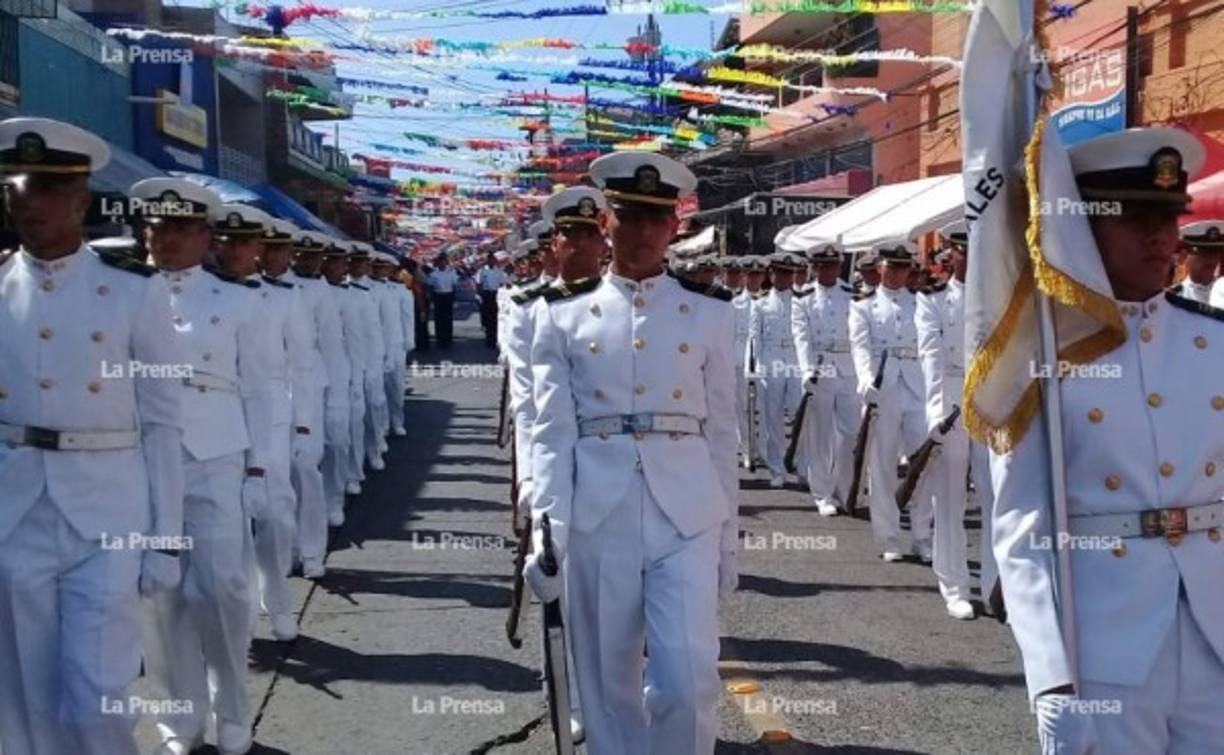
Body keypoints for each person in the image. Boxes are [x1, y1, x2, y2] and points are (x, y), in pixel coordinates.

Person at [993, 127, 1224, 754]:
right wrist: (1051, 677)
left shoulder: (1215, 341)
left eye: (1168, 217)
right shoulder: (1044, 353)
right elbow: (1023, 527)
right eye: (1134, 218)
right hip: (1106, 643)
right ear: (1084, 228)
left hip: (1214, 629)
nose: (1160, 237)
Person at [525, 152, 737, 755]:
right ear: (607, 222)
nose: (645, 232)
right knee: (608, 687)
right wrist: (550, 531)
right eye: (632, 217)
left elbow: (722, 431)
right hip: (599, 512)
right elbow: (550, 432)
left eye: (657, 219)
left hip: (688, 514)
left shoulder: (709, 312)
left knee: (688, 679)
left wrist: (729, 538)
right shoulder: (560, 315)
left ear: (676, 227)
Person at [0, 118, 184, 755]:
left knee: (95, 695)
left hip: (109, 514)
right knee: (23, 696)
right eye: (17, 186)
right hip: (14, 508)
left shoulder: (135, 292)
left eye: (48, 187)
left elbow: (162, 422)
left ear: (81, 197)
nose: (28, 199)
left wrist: (165, 539)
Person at [137, 195, 276, 755]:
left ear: (204, 237)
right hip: (144, 455)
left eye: (180, 228)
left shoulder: (237, 300)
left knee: (224, 587)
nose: (166, 238)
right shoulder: (121, 292)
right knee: (158, 594)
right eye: (156, 227)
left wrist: (259, 467)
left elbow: (261, 387)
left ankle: (234, 708)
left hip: (214, 453)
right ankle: (179, 715)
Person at [915, 222, 988, 621]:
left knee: (995, 496)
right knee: (951, 498)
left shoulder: (998, 294)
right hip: (952, 396)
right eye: (963, 252)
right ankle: (955, 585)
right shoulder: (933, 299)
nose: (970, 259)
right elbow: (929, 357)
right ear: (951, 255)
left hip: (991, 399)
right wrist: (934, 411)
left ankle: (995, 587)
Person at [849, 240, 934, 562]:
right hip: (883, 389)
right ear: (880, 268)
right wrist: (865, 379)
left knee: (923, 464)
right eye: (892, 267)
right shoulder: (863, 305)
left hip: (918, 387)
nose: (898, 274)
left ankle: (923, 535)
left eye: (903, 268)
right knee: (882, 466)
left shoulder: (923, 302)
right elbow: (860, 346)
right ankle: (888, 536)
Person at [251, 217, 314, 641]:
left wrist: (304, 422)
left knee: (274, 515)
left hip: (271, 413)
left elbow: (303, 363)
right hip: (208, 422)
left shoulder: (283, 298)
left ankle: (278, 600)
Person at [287, 229, 345, 578]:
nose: (305, 261)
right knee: (275, 480)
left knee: (306, 468)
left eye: (313, 257)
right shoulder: (255, 290)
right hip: (266, 394)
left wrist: (338, 392)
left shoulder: (320, 292)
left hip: (310, 386)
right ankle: (285, 549)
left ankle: (311, 550)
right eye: (301, 255)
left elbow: (332, 345)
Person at [791, 242, 859, 518]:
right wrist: (807, 371)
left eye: (832, 266)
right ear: (814, 268)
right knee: (819, 435)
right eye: (821, 266)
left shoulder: (852, 295)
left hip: (849, 368)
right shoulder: (803, 298)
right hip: (820, 369)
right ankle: (822, 493)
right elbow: (801, 337)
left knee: (849, 434)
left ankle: (844, 489)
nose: (827, 271)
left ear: (839, 267)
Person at [748, 251, 805, 487]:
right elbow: (754, 338)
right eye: (780, 273)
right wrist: (754, 367)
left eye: (788, 274)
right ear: (771, 274)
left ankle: (803, 466)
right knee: (773, 419)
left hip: (794, 360)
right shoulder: (760, 303)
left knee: (800, 416)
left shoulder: (802, 300)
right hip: (770, 361)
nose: (784, 278)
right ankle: (776, 468)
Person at [1177, 220, 1221, 303]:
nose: (1211, 259)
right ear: (1185, 256)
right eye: (1204, 253)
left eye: (1215, 252)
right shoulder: (1175, 297)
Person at [477, 250, 510, 347]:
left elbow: (502, 284)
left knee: (495, 317)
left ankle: (495, 339)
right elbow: (479, 284)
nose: (491, 261)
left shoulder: (499, 271)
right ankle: (488, 339)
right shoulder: (482, 271)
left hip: (496, 294)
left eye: (492, 259)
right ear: (487, 260)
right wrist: (480, 295)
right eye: (489, 259)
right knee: (487, 318)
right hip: (486, 294)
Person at [427, 252, 458, 348]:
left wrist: (454, 299)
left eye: (444, 261)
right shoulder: (433, 274)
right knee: (439, 319)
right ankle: (440, 340)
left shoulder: (451, 272)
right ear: (438, 262)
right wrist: (431, 300)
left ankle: (448, 339)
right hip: (438, 297)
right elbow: (430, 287)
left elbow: (454, 286)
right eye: (440, 261)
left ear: (447, 262)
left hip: (448, 296)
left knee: (448, 318)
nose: (442, 263)